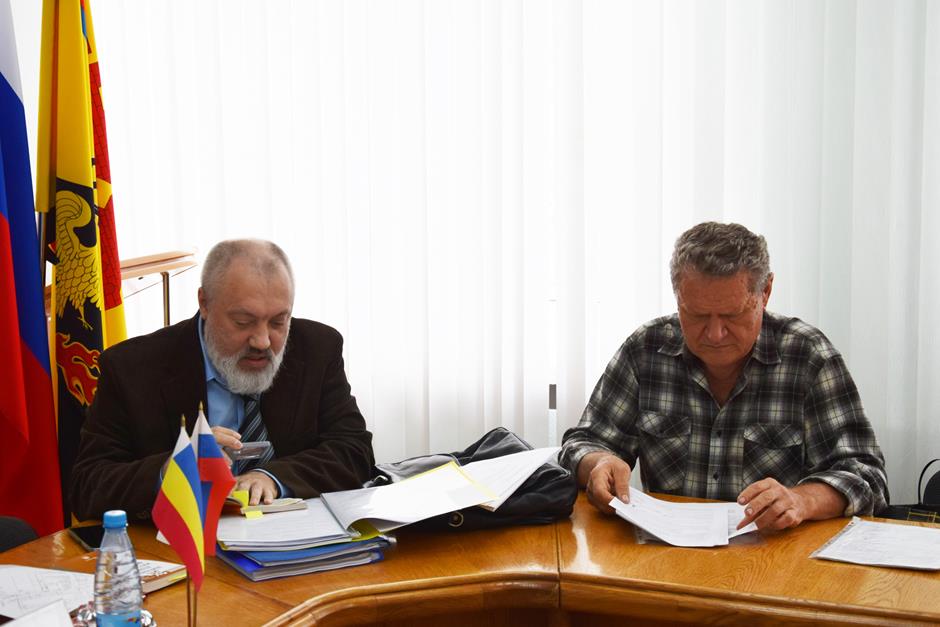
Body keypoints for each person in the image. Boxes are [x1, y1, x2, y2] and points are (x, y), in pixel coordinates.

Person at [560, 222, 888, 530]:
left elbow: (867, 476)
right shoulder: (646, 349)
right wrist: (598, 462)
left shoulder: (808, 356)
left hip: (773, 554)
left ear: (765, 292)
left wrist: (802, 500)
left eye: (732, 315)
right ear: (678, 297)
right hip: (667, 552)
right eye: (697, 315)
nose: (715, 334)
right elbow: (583, 443)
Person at [70, 239, 375, 521]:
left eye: (278, 322)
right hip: (180, 547)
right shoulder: (132, 368)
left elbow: (353, 450)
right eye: (243, 322)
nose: (262, 341)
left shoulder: (318, 348)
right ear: (204, 303)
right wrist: (175, 467)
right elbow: (87, 485)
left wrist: (272, 478)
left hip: (295, 541)